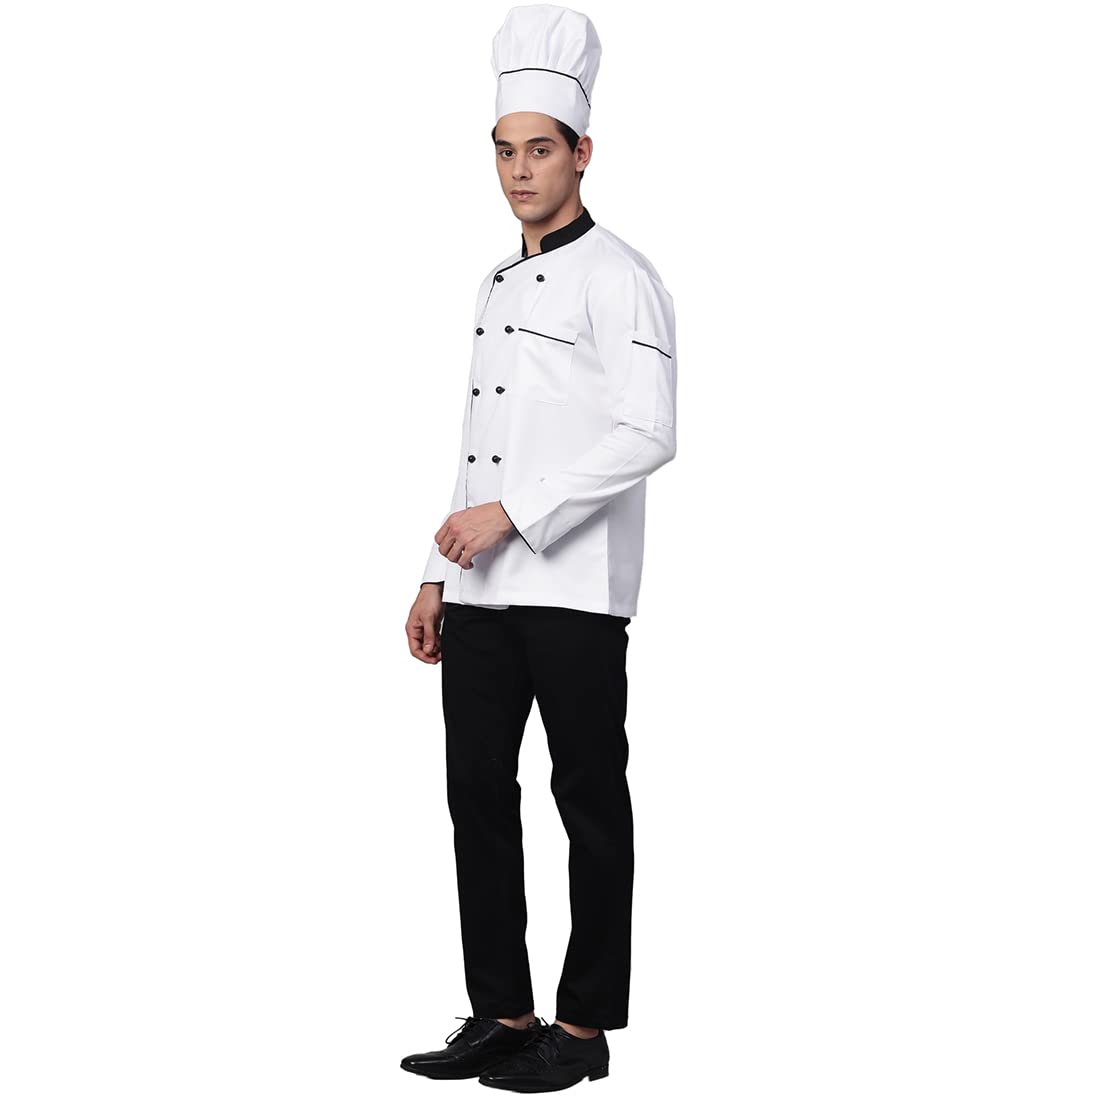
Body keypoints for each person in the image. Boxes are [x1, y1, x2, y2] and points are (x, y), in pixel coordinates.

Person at [401, 4, 677, 1091]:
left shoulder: (621, 275)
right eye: (505, 151)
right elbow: (480, 442)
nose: (520, 171)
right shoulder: (493, 283)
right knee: (476, 796)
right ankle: (503, 1012)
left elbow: (648, 432)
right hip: (478, 590)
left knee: (587, 801)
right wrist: (435, 569)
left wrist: (512, 517)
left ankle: (584, 1027)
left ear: (582, 153)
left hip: (573, 589)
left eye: (540, 150)